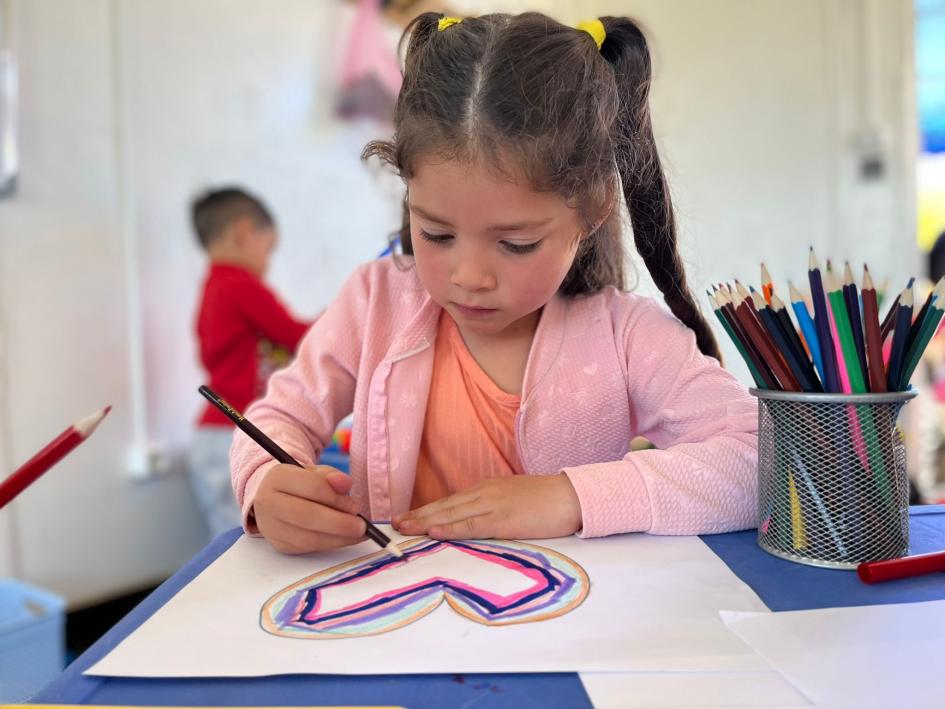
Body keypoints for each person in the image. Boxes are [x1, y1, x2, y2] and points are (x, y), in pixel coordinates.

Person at [230, 13, 759, 555]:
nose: (469, 278)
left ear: (594, 208)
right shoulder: (374, 305)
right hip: (397, 621)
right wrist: (266, 481)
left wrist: (570, 497)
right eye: (436, 233)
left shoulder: (628, 338)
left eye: (516, 244)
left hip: (565, 627)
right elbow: (279, 419)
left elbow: (762, 460)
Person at [190, 187, 313, 540]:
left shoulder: (217, 288)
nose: (268, 261)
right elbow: (297, 338)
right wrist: (339, 319)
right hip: (230, 431)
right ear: (245, 233)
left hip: (219, 433)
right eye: (268, 248)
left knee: (235, 538)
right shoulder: (238, 286)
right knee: (243, 542)